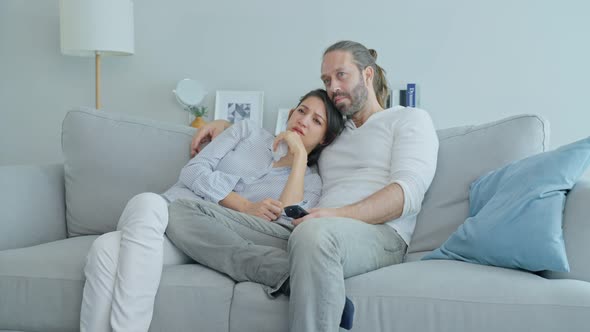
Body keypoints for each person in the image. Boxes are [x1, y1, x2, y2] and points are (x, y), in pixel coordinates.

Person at [182, 40, 439, 332]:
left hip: (378, 234)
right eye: (327, 80)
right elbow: (285, 139)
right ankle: (292, 275)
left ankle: (308, 273)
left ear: (367, 75)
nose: (333, 87)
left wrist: (336, 216)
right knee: (183, 211)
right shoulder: (334, 133)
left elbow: (408, 194)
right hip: (306, 229)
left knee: (313, 234)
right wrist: (224, 127)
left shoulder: (409, 119)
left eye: (341, 75)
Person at [80, 88, 345, 332]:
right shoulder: (246, 132)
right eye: (302, 110)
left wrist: (299, 157)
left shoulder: (311, 183)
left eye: (316, 121)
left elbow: (285, 219)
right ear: (291, 113)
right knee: (143, 209)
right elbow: (193, 171)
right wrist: (244, 205)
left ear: (324, 139)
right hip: (166, 212)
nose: (304, 120)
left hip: (199, 240)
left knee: (104, 250)